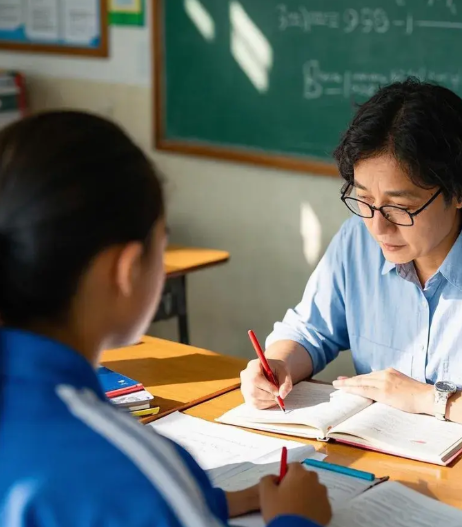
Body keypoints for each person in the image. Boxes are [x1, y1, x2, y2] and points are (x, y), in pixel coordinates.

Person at [0, 111, 331, 527]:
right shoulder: (125, 465)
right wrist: (298, 520)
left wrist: (200, 500)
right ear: (126, 269)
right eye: (163, 242)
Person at [240, 78, 462, 449]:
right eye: (364, 199)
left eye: (400, 206)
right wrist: (278, 365)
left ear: (459, 189)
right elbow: (308, 332)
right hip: (390, 471)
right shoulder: (357, 241)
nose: (377, 225)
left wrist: (431, 399)